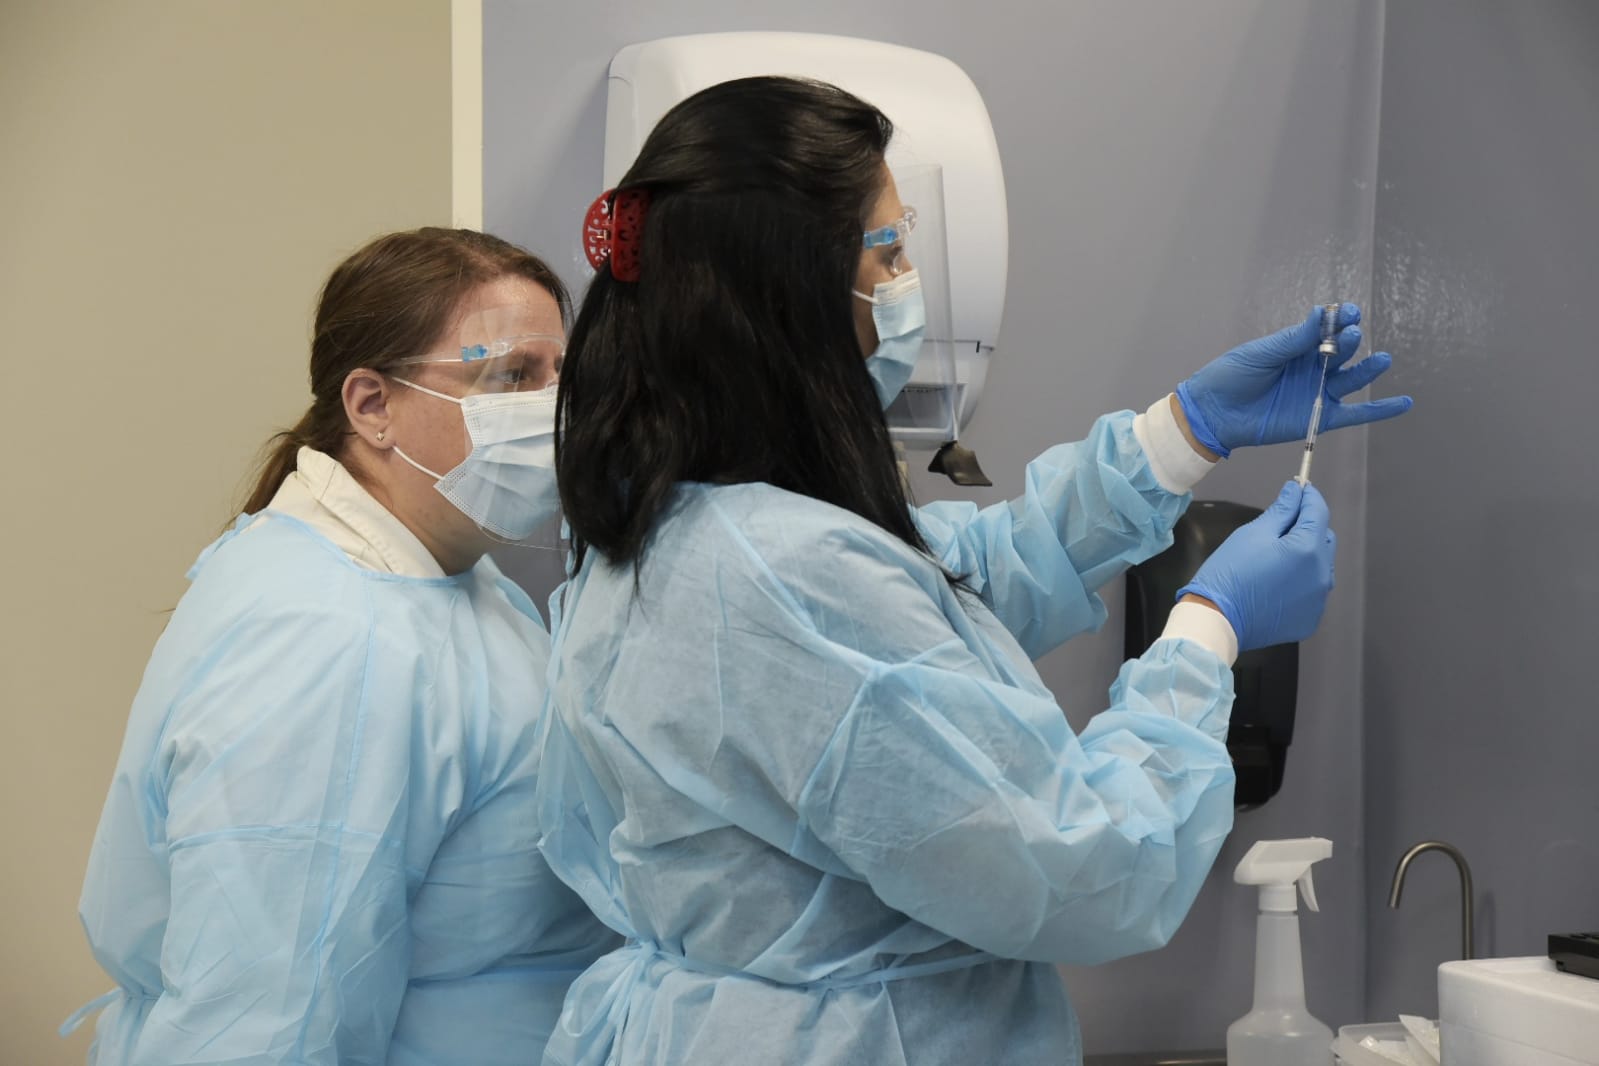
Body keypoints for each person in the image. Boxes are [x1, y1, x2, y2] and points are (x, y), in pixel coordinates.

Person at [537, 78, 1411, 1066]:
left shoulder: (675, 530)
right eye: (888, 251)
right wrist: (1210, 623)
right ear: (790, 291)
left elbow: (959, 588)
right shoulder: (786, 574)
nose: (909, 281)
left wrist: (1182, 435)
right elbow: (1086, 866)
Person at [68, 228, 620, 1065]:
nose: (553, 411)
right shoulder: (332, 641)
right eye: (510, 376)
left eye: (558, 377)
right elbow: (268, 1022)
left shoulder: (443, 574)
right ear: (371, 406)